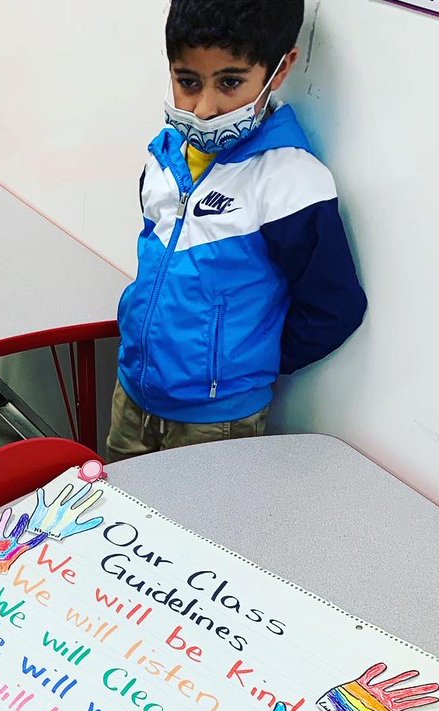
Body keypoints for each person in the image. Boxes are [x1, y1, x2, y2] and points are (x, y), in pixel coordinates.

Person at [108, 0, 367, 461]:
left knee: (194, 529)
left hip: (217, 422)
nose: (204, 108)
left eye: (230, 82)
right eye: (187, 82)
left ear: (280, 68)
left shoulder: (290, 179)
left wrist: (241, 362)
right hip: (134, 391)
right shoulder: (164, 152)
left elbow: (336, 306)